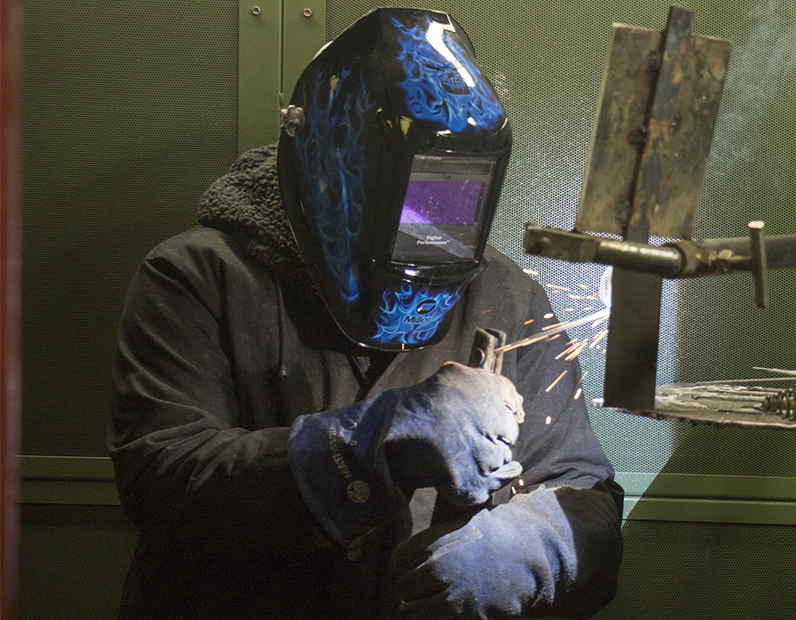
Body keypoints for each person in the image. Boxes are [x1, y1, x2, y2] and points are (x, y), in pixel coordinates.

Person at [107, 8, 624, 619]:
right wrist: (365, 447)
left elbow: (584, 490)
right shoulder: (199, 276)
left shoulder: (507, 295)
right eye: (412, 196)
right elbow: (162, 481)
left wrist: (540, 547)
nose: (432, 228)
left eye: (456, 196)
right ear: (338, 175)